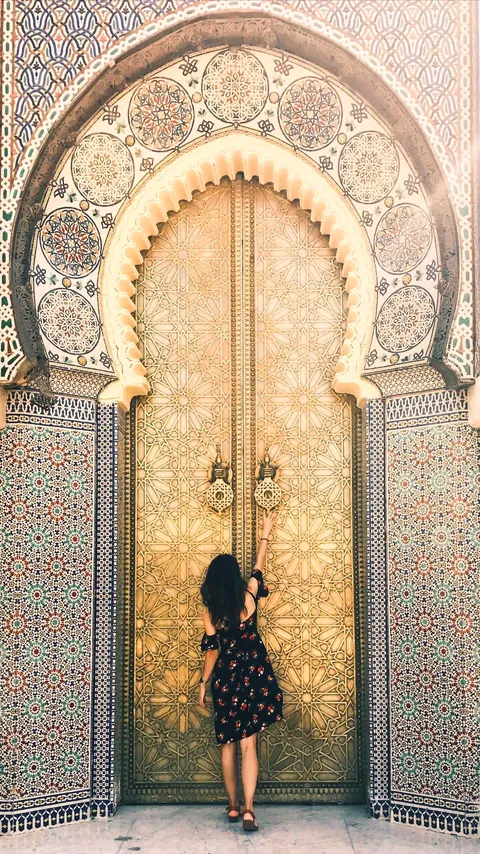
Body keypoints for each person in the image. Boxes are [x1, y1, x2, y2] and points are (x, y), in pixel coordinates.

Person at [198, 510, 283, 832]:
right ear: (234, 577)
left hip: (228, 678)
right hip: (256, 674)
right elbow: (258, 568)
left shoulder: (211, 611)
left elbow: (212, 650)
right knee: (249, 744)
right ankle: (249, 810)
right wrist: (265, 532)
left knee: (227, 744)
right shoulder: (248, 596)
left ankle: (232, 806)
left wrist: (204, 684)